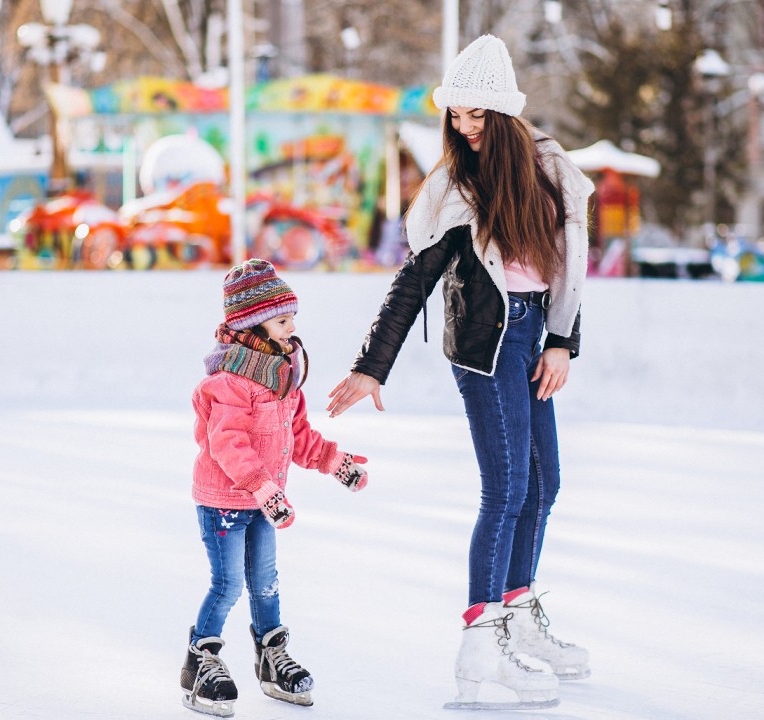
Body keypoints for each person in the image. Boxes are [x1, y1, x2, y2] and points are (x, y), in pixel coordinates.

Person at [326, 35, 593, 709]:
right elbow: (412, 281)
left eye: (478, 116)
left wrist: (561, 341)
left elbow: (568, 271)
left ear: (504, 117)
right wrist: (371, 366)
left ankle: (517, 614)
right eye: (457, 116)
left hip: (536, 337)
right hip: (485, 347)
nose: (466, 128)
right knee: (505, 489)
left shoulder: (548, 173)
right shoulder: (454, 188)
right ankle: (480, 650)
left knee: (544, 482)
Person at [181, 259, 369, 717]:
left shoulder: (284, 381)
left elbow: (298, 438)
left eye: (292, 320)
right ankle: (201, 661)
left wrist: (334, 462)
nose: (291, 329)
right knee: (227, 585)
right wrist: (263, 489)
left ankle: (271, 659)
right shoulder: (226, 382)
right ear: (252, 326)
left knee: (266, 584)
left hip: (266, 501)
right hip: (225, 501)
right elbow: (227, 444)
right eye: (283, 320)